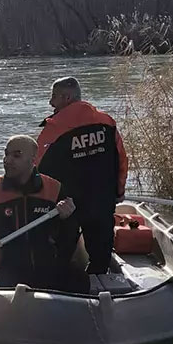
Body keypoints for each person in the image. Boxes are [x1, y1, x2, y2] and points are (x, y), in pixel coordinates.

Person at [34, 76, 129, 275]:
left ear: (67, 97)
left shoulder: (54, 129)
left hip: (68, 205)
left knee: (61, 252)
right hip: (102, 200)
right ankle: (99, 279)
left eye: (54, 97)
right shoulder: (107, 122)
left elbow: (36, 170)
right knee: (101, 253)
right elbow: (121, 159)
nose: (51, 102)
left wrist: (34, 204)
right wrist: (119, 191)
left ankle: (61, 282)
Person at [0, 135, 81, 291]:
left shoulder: (54, 189)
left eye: (16, 155)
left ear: (33, 159)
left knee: (80, 281)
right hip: (6, 267)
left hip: (47, 265)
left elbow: (70, 235)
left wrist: (67, 218)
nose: (7, 160)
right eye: (6, 154)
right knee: (9, 289)